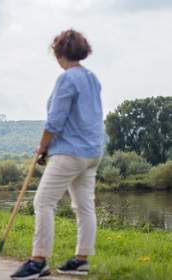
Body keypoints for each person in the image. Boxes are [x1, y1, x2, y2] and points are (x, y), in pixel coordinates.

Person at [11, 29, 103, 280]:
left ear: (59, 53)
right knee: (84, 206)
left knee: (43, 202)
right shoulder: (92, 78)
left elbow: (54, 121)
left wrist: (42, 148)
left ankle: (38, 260)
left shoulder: (66, 79)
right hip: (92, 152)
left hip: (69, 152)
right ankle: (81, 260)